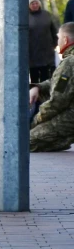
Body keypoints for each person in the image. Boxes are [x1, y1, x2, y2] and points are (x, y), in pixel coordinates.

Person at [29, 22, 74, 152]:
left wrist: (36, 120)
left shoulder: (69, 62)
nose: (57, 41)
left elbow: (57, 101)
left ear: (65, 39)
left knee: (25, 141)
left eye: (59, 38)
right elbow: (59, 82)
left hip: (70, 118)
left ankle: (64, 138)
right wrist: (38, 87)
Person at [29, 0, 59, 84]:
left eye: (36, 3)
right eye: (32, 4)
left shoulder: (46, 14)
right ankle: (34, 96)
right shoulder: (25, 17)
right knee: (34, 78)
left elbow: (53, 30)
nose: (35, 5)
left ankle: (45, 96)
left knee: (46, 78)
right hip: (32, 54)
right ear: (28, 6)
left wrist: (55, 43)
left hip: (46, 52)